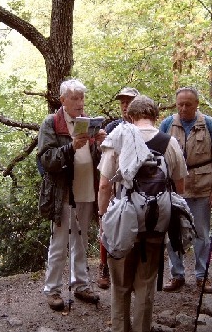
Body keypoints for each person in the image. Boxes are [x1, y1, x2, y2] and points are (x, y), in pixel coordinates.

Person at [97, 95, 187, 332]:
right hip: (156, 222)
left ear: (130, 115)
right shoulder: (170, 142)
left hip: (123, 221)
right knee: (146, 285)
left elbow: (105, 185)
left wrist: (102, 217)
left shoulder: (117, 138)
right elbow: (180, 187)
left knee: (120, 285)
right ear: (155, 116)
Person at [37, 79, 106, 311]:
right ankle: (53, 289)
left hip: (87, 189)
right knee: (59, 242)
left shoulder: (88, 122)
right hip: (63, 192)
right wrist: (70, 147)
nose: (79, 102)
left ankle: (81, 284)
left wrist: (100, 144)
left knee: (81, 240)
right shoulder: (52, 123)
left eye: (82, 98)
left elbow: (95, 158)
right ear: (63, 100)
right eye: (74, 98)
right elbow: (46, 159)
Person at [159, 87, 212, 293]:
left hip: (201, 186)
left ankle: (202, 275)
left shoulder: (209, 125)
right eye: (180, 104)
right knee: (172, 233)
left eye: (188, 104)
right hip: (173, 187)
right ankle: (177, 274)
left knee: (202, 234)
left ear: (197, 104)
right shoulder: (168, 124)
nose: (184, 108)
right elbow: (159, 156)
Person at [97, 86, 140, 289]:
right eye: (122, 102)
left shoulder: (143, 127)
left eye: (129, 101)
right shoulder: (113, 126)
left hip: (137, 187)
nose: (125, 105)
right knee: (108, 222)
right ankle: (104, 265)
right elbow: (104, 158)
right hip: (113, 184)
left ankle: (132, 266)